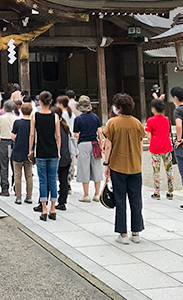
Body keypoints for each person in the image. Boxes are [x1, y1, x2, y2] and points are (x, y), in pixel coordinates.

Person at [102, 93, 145, 244]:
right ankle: (136, 231)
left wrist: (106, 164)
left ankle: (123, 233)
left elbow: (108, 145)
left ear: (118, 108)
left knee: (120, 200)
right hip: (135, 165)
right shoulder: (137, 123)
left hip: (118, 165)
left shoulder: (113, 123)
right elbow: (140, 144)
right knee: (136, 200)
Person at [29, 91, 61, 221]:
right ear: (51, 101)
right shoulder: (55, 117)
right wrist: (59, 150)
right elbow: (58, 135)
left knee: (42, 180)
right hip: (53, 151)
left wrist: (30, 149)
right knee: (53, 179)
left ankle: (44, 209)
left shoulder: (35, 116)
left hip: (40, 151)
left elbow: (32, 134)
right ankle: (53, 208)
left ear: (40, 102)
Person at [73, 95, 103, 203]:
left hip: (83, 143)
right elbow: (100, 132)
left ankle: (86, 195)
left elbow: (76, 135)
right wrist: (101, 145)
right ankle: (97, 194)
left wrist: (76, 148)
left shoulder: (78, 119)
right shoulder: (95, 117)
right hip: (94, 143)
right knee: (96, 168)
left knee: (84, 168)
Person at [146, 98, 174, 200]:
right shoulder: (167, 119)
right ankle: (170, 191)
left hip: (155, 147)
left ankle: (157, 192)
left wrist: (151, 143)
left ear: (153, 109)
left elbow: (149, 136)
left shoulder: (150, 121)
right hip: (166, 146)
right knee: (169, 170)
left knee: (156, 170)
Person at [11, 102, 33, 205]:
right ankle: (29, 196)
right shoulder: (33, 123)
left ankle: (18, 197)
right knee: (29, 175)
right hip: (29, 151)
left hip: (18, 150)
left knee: (17, 175)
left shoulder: (17, 123)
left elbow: (13, 136)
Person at [52, 103, 72, 211]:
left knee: (51, 180)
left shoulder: (54, 126)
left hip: (56, 157)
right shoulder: (65, 126)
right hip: (66, 157)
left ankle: (50, 201)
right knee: (63, 181)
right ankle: (62, 202)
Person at [0, 100, 17, 196]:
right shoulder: (16, 118)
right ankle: (16, 186)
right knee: (15, 166)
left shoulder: (0, 118)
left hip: (4, 141)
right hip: (14, 142)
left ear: (4, 107)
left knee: (3, 166)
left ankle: (5, 188)